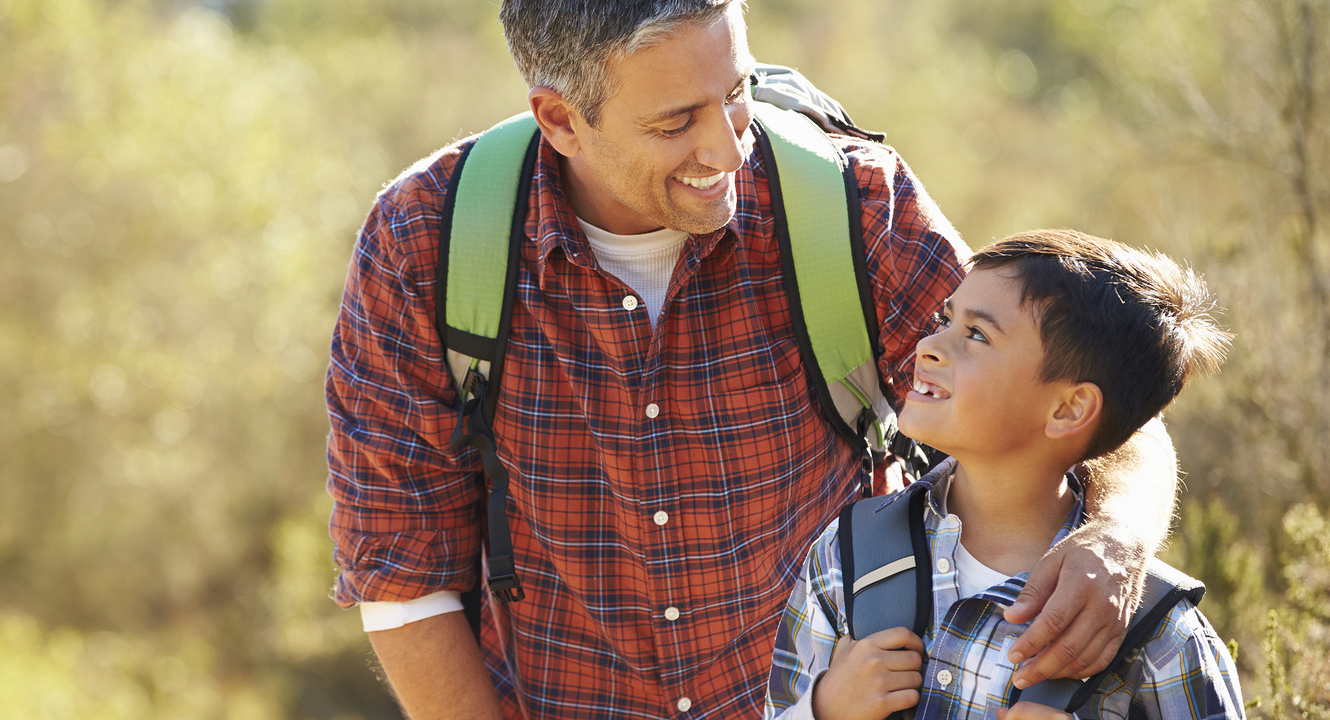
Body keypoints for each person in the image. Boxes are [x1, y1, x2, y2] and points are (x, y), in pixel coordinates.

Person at [326, 2, 1179, 717]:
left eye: (734, 93)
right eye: (675, 123)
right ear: (560, 120)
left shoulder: (850, 201)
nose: (731, 151)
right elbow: (404, 578)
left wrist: (1119, 538)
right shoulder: (424, 241)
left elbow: (1074, 393)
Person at [763, 229, 1242, 720]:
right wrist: (822, 710)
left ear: (1070, 408)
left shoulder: (1158, 637)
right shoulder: (848, 556)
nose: (927, 344)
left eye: (976, 335)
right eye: (944, 319)